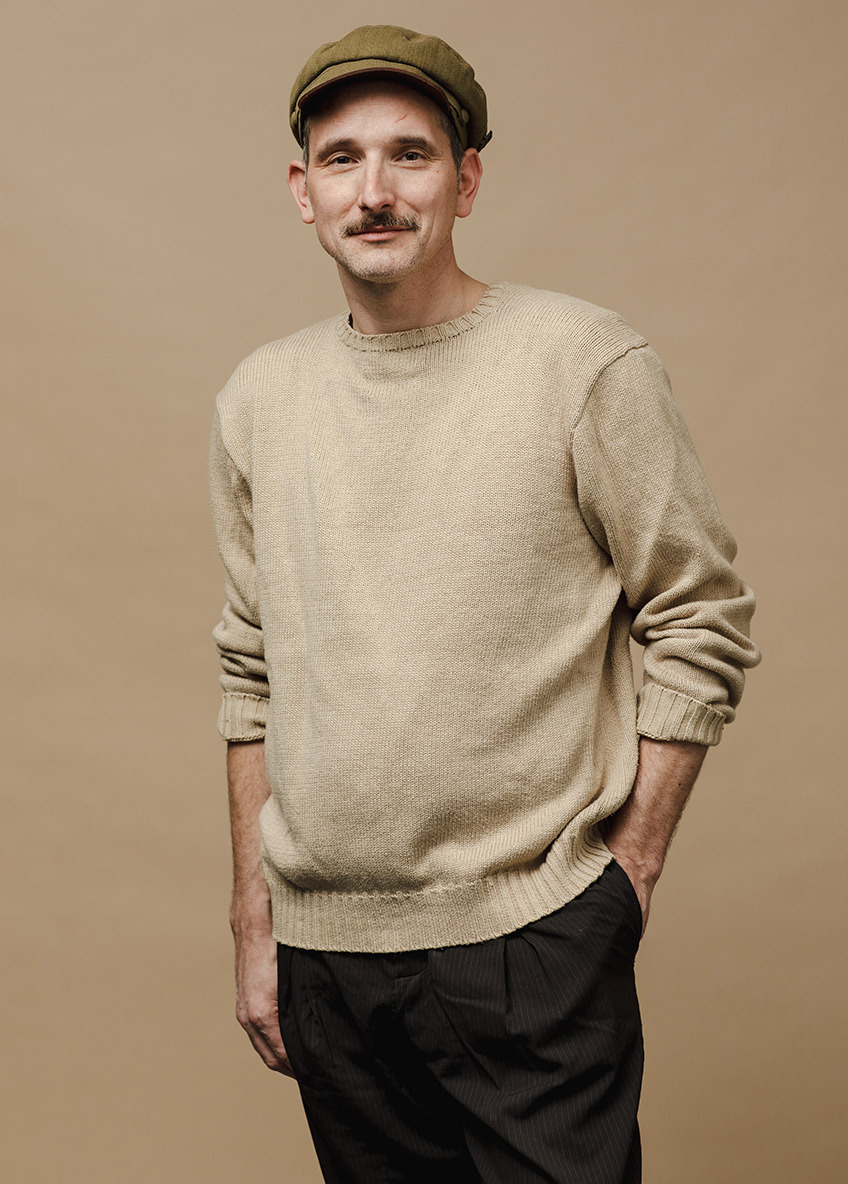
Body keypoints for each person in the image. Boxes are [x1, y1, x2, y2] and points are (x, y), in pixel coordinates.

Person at [208, 24, 761, 1183]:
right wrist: (255, 921)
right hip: (326, 956)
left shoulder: (582, 362)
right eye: (343, 158)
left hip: (531, 941)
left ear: (464, 181)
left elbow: (699, 612)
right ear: (302, 190)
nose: (374, 190)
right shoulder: (259, 396)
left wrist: (626, 874)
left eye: (408, 155)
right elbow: (248, 669)